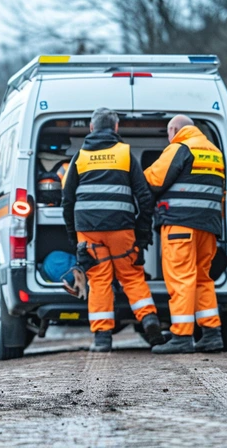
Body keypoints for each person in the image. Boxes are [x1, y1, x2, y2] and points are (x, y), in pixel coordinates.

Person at [62, 107, 165, 352]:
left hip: (88, 231)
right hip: (122, 229)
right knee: (131, 276)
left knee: (98, 281)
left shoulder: (79, 157)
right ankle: (149, 320)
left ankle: (102, 339)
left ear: (91, 128)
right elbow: (144, 196)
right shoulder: (125, 154)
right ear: (116, 128)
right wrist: (142, 233)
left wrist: (72, 236)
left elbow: (67, 200)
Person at [143, 114, 225, 354]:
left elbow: (153, 180)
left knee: (181, 278)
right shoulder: (214, 151)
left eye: (169, 134)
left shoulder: (180, 147)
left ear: (174, 129)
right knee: (202, 278)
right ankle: (212, 334)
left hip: (180, 226)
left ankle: (181, 336)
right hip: (208, 226)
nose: (169, 138)